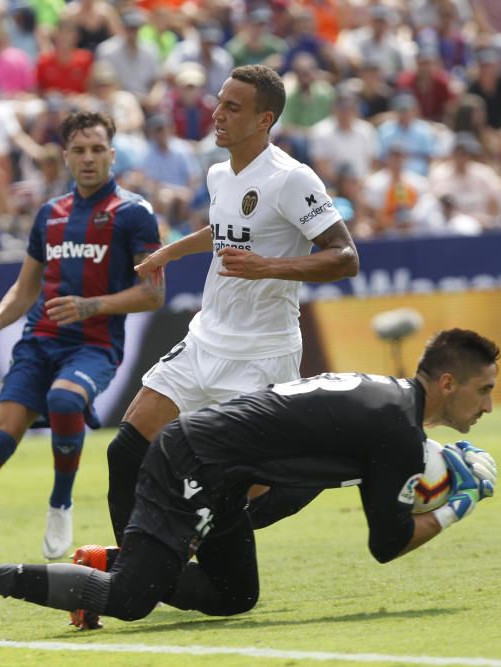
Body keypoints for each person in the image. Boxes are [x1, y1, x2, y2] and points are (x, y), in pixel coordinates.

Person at [0, 329, 501, 646]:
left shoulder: (390, 405)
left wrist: (430, 478)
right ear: (448, 383)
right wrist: (460, 502)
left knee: (235, 594)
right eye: (484, 391)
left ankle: (107, 563)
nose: (490, 405)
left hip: (227, 473)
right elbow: (387, 541)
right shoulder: (395, 425)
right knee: (134, 599)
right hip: (198, 459)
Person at [101, 64, 358, 577]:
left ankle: (343, 465)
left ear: (265, 120)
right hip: (205, 341)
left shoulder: (292, 178)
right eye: (219, 102)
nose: (216, 113)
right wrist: (170, 253)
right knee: (125, 450)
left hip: (262, 354)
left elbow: (345, 256)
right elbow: (223, 229)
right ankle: (138, 572)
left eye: (232, 108)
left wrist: (270, 266)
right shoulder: (220, 172)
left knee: (239, 492)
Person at [0, 110, 163, 573]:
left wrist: (93, 306)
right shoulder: (51, 215)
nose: (88, 159)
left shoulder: (133, 214)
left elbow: (153, 293)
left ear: (112, 153)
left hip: (94, 345)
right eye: (79, 150)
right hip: (38, 341)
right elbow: (25, 288)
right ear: (65, 157)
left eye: (97, 149)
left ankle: (61, 503)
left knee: (65, 400)